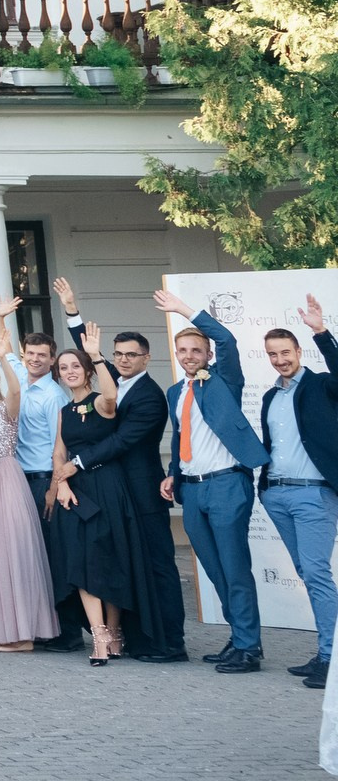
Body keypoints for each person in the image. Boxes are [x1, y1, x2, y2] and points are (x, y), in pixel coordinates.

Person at [154, 287, 267, 673]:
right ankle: (239, 638)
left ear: (207, 355)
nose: (189, 356)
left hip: (226, 485)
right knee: (215, 570)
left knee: (234, 567)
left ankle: (249, 648)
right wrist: (172, 476)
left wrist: (183, 310)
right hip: (192, 489)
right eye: (182, 351)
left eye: (195, 351)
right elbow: (179, 436)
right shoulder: (175, 391)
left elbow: (227, 337)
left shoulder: (223, 380)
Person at [0, 297, 58, 652]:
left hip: (6, 480)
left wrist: (2, 355)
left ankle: (22, 635)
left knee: (13, 553)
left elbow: (17, 387)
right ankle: (2, 630)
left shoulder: (6, 408)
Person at [260, 298, 338, 689]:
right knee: (308, 573)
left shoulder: (322, 385)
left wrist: (321, 332)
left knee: (318, 575)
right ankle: (327, 652)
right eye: (273, 354)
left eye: (285, 352)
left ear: (298, 351)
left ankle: (332, 658)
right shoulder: (270, 397)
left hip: (314, 496)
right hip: (277, 496)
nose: (279, 360)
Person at [48, 329, 137, 667]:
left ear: (86, 370)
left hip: (108, 486)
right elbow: (58, 453)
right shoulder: (64, 411)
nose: (69, 371)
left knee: (108, 558)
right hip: (76, 491)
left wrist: (98, 356)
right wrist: (62, 485)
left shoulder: (100, 401)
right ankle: (98, 635)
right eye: (63, 368)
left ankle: (115, 632)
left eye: (75, 366)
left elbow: (112, 396)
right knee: (83, 562)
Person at [7, 321, 80, 651]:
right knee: (30, 556)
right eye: (31, 354)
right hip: (19, 480)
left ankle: (67, 632)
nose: (35, 359)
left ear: (53, 361)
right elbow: (5, 353)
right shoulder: (21, 380)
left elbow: (59, 446)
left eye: (43, 355)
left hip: (42, 482)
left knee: (53, 555)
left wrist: (54, 487)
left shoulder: (53, 396)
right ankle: (41, 625)